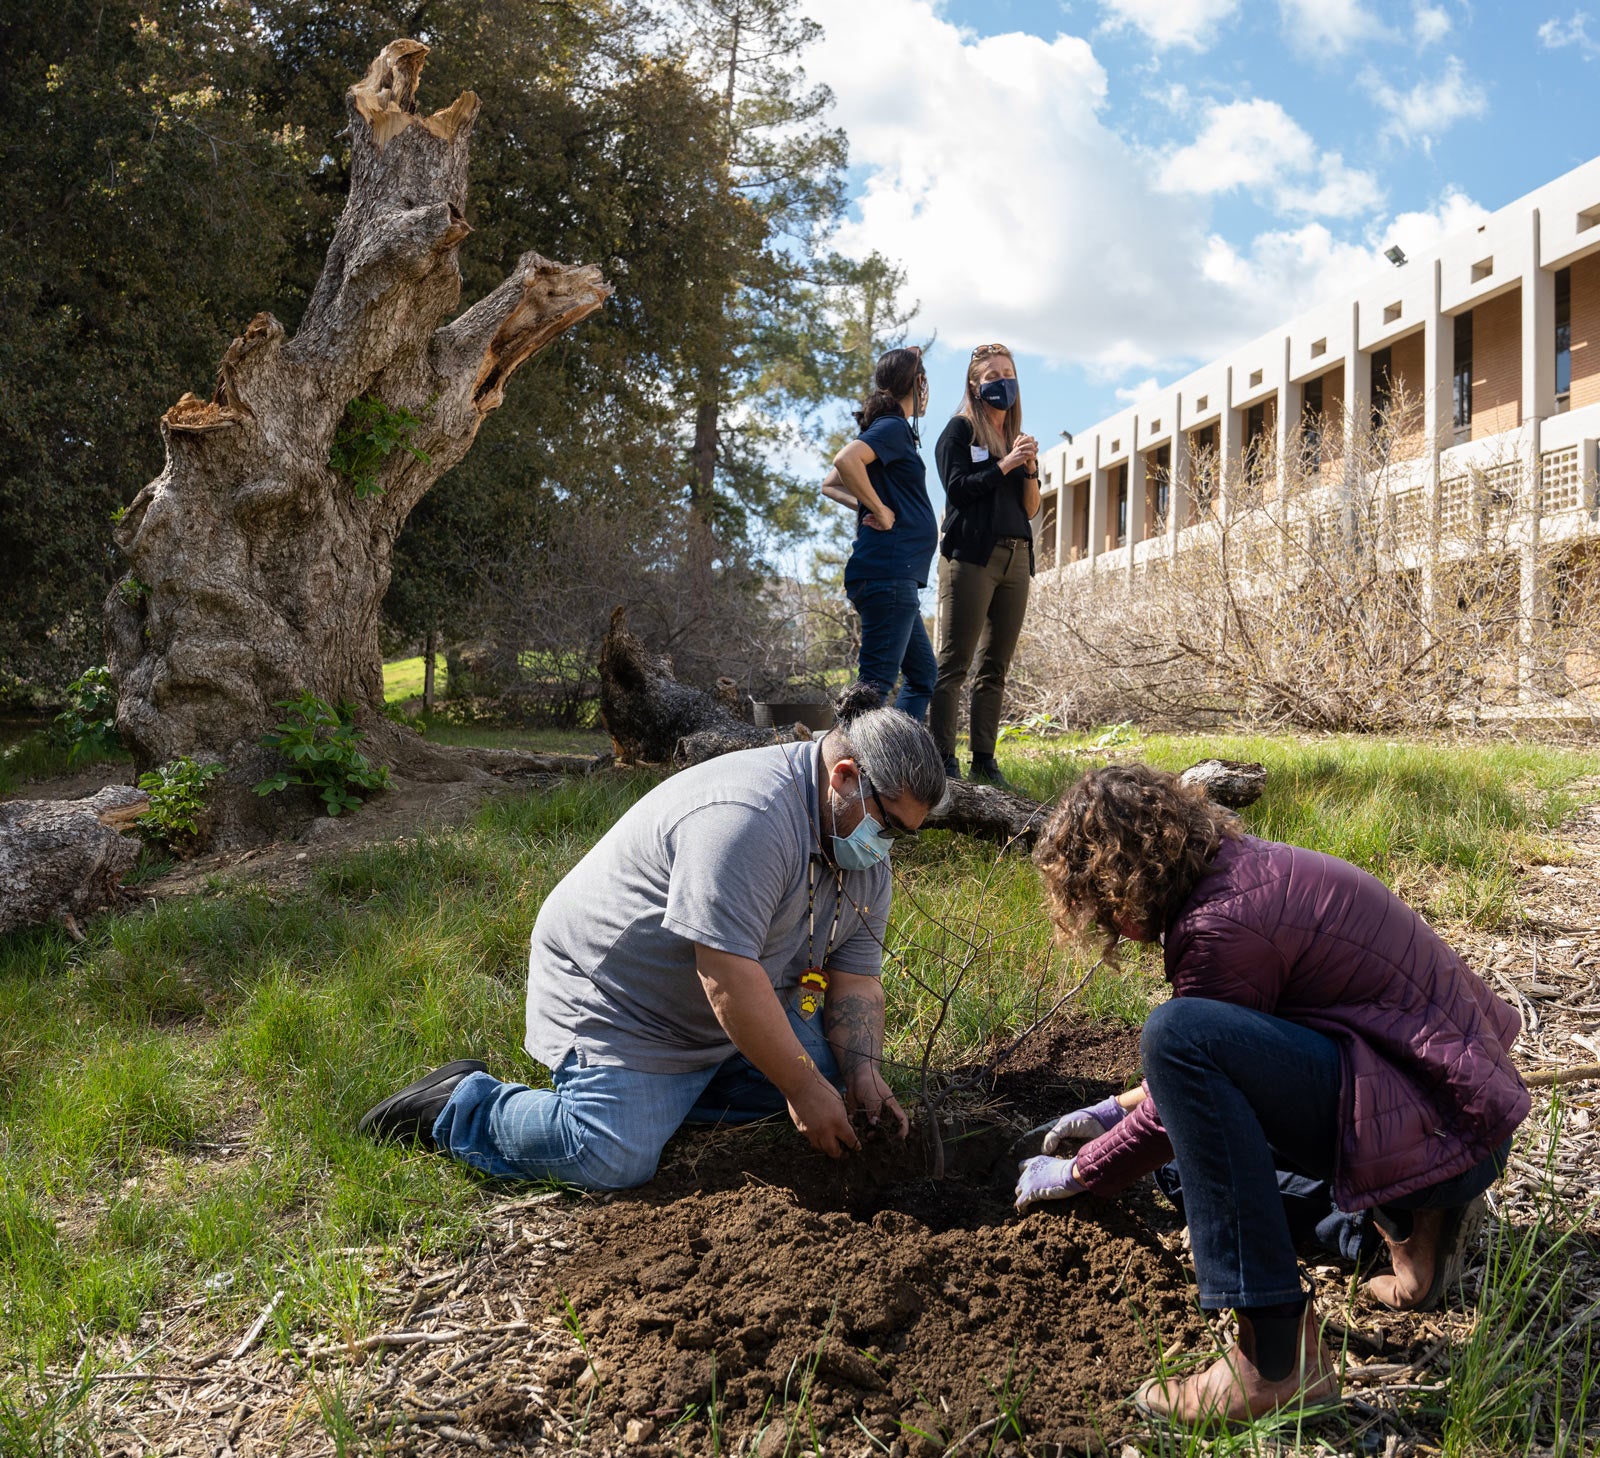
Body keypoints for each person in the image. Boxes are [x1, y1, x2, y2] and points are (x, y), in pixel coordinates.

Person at [1015, 765, 1529, 1427]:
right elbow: (1226, 1065)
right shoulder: (1249, 873)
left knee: (1176, 1037)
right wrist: (1114, 1111)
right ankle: (1395, 1233)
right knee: (1180, 1155)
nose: (1108, 918)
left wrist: (1084, 1172)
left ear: (1127, 877)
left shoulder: (1221, 929)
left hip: (1439, 1124)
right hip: (1450, 1115)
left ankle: (1277, 1358)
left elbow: (1190, 1063)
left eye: (1102, 897)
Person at [359, 685, 946, 1191]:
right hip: (625, 1001)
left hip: (721, 1004)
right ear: (846, 777)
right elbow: (726, 977)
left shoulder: (859, 842)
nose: (887, 845)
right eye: (889, 824)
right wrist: (798, 1084)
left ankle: (679, 1092)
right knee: (609, 1157)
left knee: (837, 1078)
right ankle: (463, 1105)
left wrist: (862, 1075)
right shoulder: (747, 818)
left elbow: (856, 978)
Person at [930, 343, 1040, 788]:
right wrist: (1006, 464)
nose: (1001, 380)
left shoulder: (1018, 441)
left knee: (995, 666)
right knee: (954, 663)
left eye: (1007, 372)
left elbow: (1031, 507)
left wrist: (1028, 468)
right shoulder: (958, 432)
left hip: (1017, 558)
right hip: (972, 558)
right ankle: (942, 761)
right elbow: (957, 489)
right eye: (991, 374)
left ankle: (985, 762)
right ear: (975, 386)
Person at [822, 347, 939, 724]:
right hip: (888, 575)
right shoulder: (892, 427)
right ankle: (844, 767)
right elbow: (844, 463)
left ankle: (899, 762)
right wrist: (881, 510)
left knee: (922, 677)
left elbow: (830, 485)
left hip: (897, 577)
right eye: (925, 381)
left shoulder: (890, 429)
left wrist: (869, 505)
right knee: (872, 689)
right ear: (918, 383)